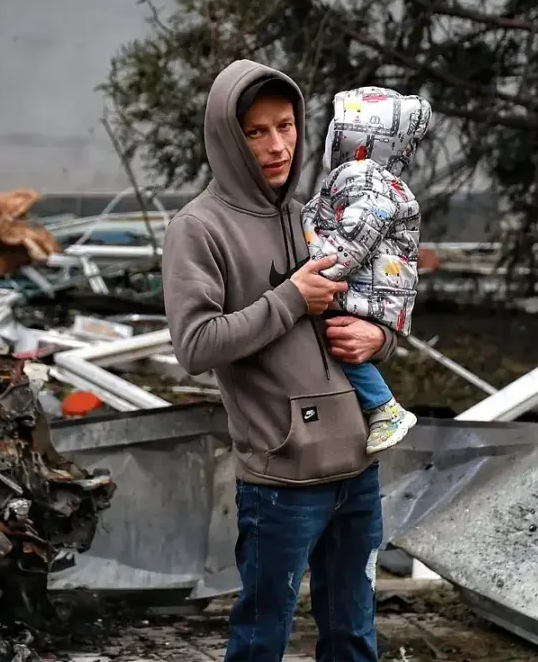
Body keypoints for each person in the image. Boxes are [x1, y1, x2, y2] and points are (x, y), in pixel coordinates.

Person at [161, 59, 400, 662]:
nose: (277, 146)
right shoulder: (199, 228)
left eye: (287, 127)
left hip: (357, 466)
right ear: (226, 136)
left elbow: (371, 303)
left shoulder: (312, 213)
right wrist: (290, 297)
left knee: (352, 638)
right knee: (260, 639)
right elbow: (196, 345)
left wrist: (380, 341)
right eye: (256, 131)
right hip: (280, 480)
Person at [302, 86, 432, 455]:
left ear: (356, 142)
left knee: (332, 338)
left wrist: (323, 271)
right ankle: (379, 408)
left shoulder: (361, 176)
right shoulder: (373, 179)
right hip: (377, 289)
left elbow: (357, 233)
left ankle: (385, 409)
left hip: (363, 288)